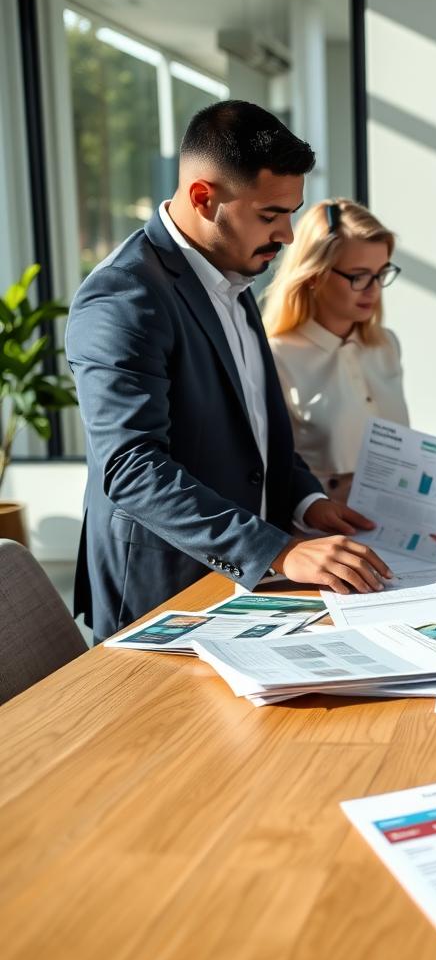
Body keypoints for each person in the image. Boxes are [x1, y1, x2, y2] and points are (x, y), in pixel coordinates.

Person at [66, 100, 391, 642]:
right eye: (270, 214)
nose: (288, 235)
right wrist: (281, 550)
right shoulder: (124, 295)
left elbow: (255, 435)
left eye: (291, 212)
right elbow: (130, 467)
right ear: (203, 198)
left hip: (246, 594)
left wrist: (308, 502)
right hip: (162, 602)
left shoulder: (232, 276)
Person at [263, 199, 408, 502]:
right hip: (320, 538)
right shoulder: (275, 356)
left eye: (381, 273)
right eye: (359, 276)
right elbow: (271, 468)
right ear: (314, 275)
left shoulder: (386, 345)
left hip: (399, 530)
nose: (374, 289)